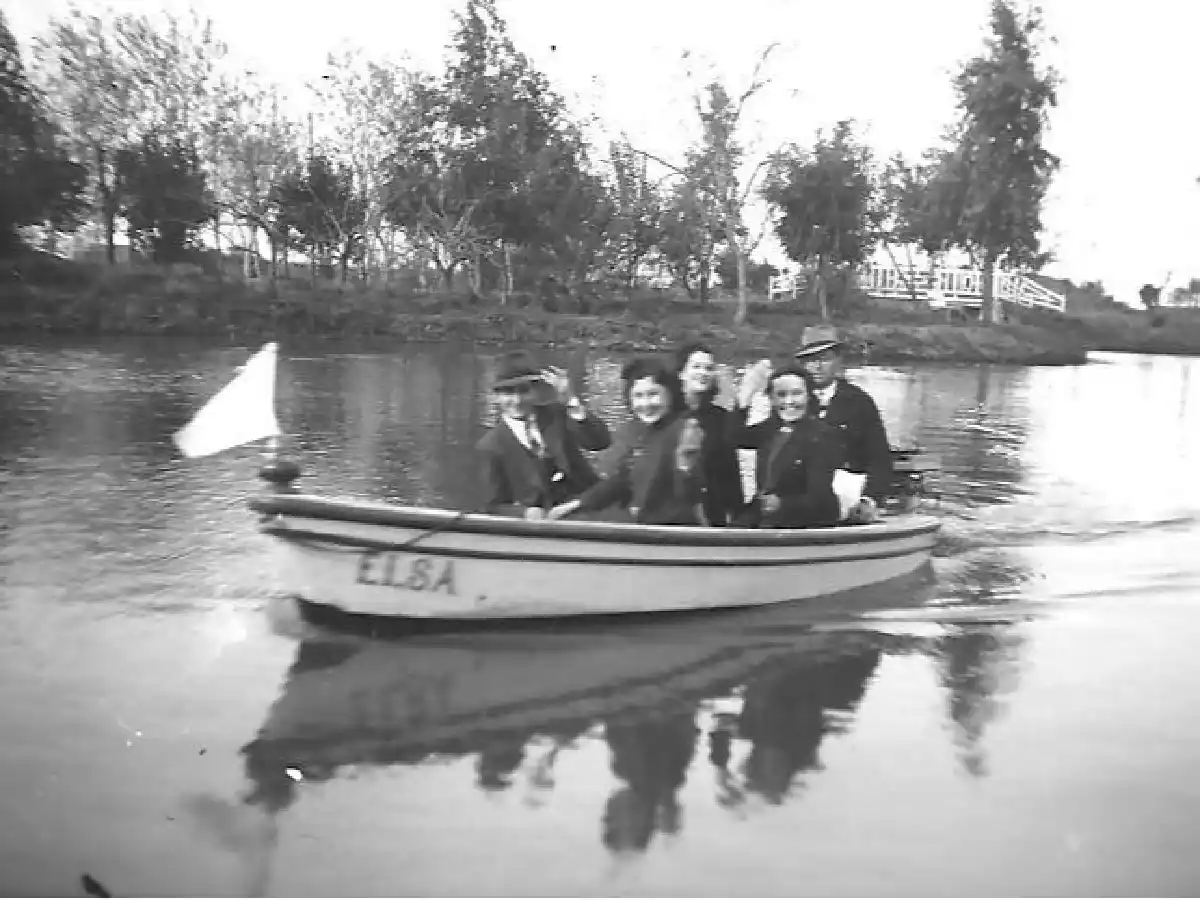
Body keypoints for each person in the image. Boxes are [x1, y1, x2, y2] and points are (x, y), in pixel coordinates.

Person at [549, 357, 705, 526]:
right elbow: (622, 480)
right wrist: (576, 504)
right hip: (642, 525)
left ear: (671, 393)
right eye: (638, 396)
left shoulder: (685, 429)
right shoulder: (638, 431)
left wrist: (686, 467)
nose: (646, 404)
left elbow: (690, 495)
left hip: (675, 529)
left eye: (653, 394)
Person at [476, 350, 611, 519]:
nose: (517, 401)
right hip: (544, 524)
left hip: (592, 512)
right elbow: (493, 505)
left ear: (535, 391)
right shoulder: (490, 446)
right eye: (508, 393)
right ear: (496, 397)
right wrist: (525, 513)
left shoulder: (558, 415)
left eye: (523, 391)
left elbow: (600, 442)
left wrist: (571, 400)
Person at [794, 325, 893, 522]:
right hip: (798, 496)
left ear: (839, 360)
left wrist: (869, 500)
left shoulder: (859, 402)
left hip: (847, 494)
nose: (817, 367)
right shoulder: (790, 401)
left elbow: (879, 459)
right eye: (810, 360)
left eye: (824, 359)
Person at [731, 365, 842, 528]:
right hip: (766, 515)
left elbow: (819, 496)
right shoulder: (770, 429)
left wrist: (781, 504)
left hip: (808, 521)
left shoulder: (822, 435)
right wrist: (745, 398)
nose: (789, 402)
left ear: (808, 396)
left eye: (796, 393)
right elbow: (733, 437)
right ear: (771, 399)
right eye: (781, 395)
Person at [673, 341, 745, 526]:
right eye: (696, 367)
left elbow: (731, 472)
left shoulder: (721, 417)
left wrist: (737, 515)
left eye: (708, 368)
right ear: (681, 373)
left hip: (714, 511)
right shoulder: (668, 415)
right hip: (674, 510)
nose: (703, 373)